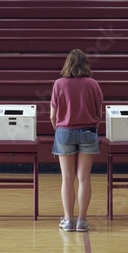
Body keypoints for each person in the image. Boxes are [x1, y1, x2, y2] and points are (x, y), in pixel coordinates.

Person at [50, 49, 103, 232]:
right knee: (83, 178)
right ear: (85, 64)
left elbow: (52, 115)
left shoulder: (59, 84)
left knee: (67, 178)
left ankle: (68, 220)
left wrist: (61, 127)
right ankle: (82, 221)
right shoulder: (93, 84)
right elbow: (98, 113)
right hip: (88, 131)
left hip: (65, 131)